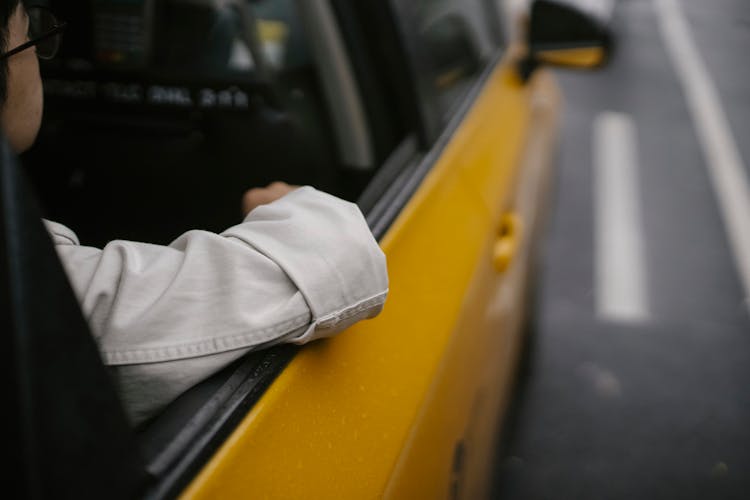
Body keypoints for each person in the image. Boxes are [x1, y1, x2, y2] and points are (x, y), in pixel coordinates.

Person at [0, 1, 388, 425]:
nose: (38, 57)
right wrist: (298, 212)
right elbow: (331, 256)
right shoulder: (277, 142)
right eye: (32, 30)